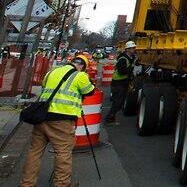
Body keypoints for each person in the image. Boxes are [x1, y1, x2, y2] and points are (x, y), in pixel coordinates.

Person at [19, 54, 96, 187]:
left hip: (41, 117)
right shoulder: (80, 76)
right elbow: (89, 91)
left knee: (34, 152)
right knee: (63, 153)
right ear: (82, 67)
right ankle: (61, 184)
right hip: (62, 120)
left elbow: (45, 87)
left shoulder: (51, 72)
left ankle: (27, 184)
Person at [105, 40, 138, 124]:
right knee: (117, 102)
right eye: (132, 48)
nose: (134, 49)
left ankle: (111, 118)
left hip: (123, 82)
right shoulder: (123, 59)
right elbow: (122, 71)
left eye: (134, 48)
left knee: (119, 102)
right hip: (118, 83)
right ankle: (109, 119)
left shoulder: (130, 57)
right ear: (127, 49)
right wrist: (131, 67)